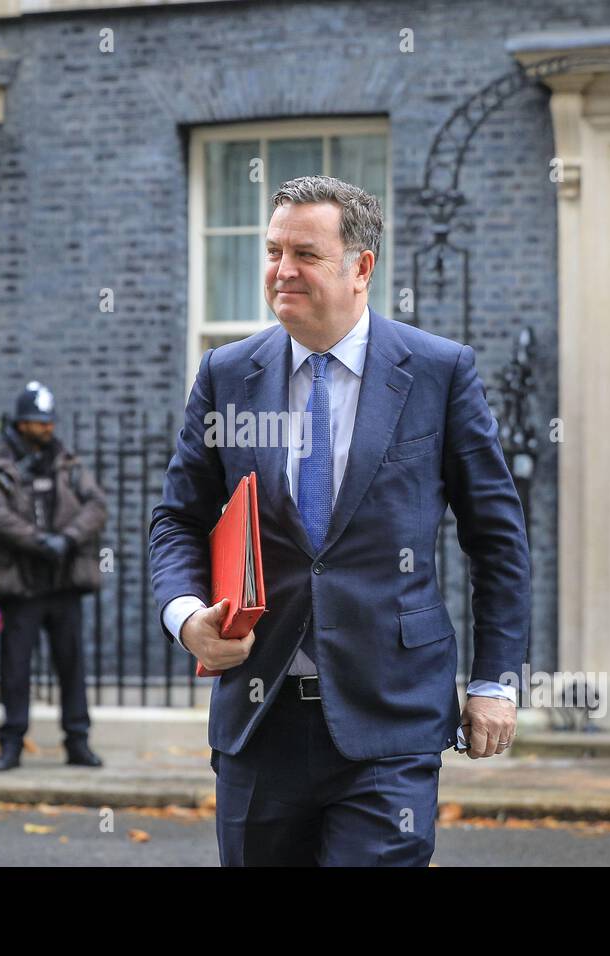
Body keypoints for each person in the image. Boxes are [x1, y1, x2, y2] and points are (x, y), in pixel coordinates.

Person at [148, 175, 531, 866]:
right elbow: (178, 518)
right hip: (259, 716)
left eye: (305, 253)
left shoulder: (439, 373)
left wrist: (494, 680)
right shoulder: (226, 374)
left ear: (362, 267)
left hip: (391, 718)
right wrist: (185, 615)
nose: (281, 270)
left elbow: (497, 541)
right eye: (272, 251)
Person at [0, 381, 108, 771]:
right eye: (38, 422)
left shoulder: (68, 463)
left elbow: (97, 506)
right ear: (21, 424)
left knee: (71, 665)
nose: (47, 428)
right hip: (21, 586)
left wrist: (67, 539)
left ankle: (77, 741)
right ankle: (12, 743)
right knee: (15, 668)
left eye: (49, 421)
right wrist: (39, 541)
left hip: (63, 582)